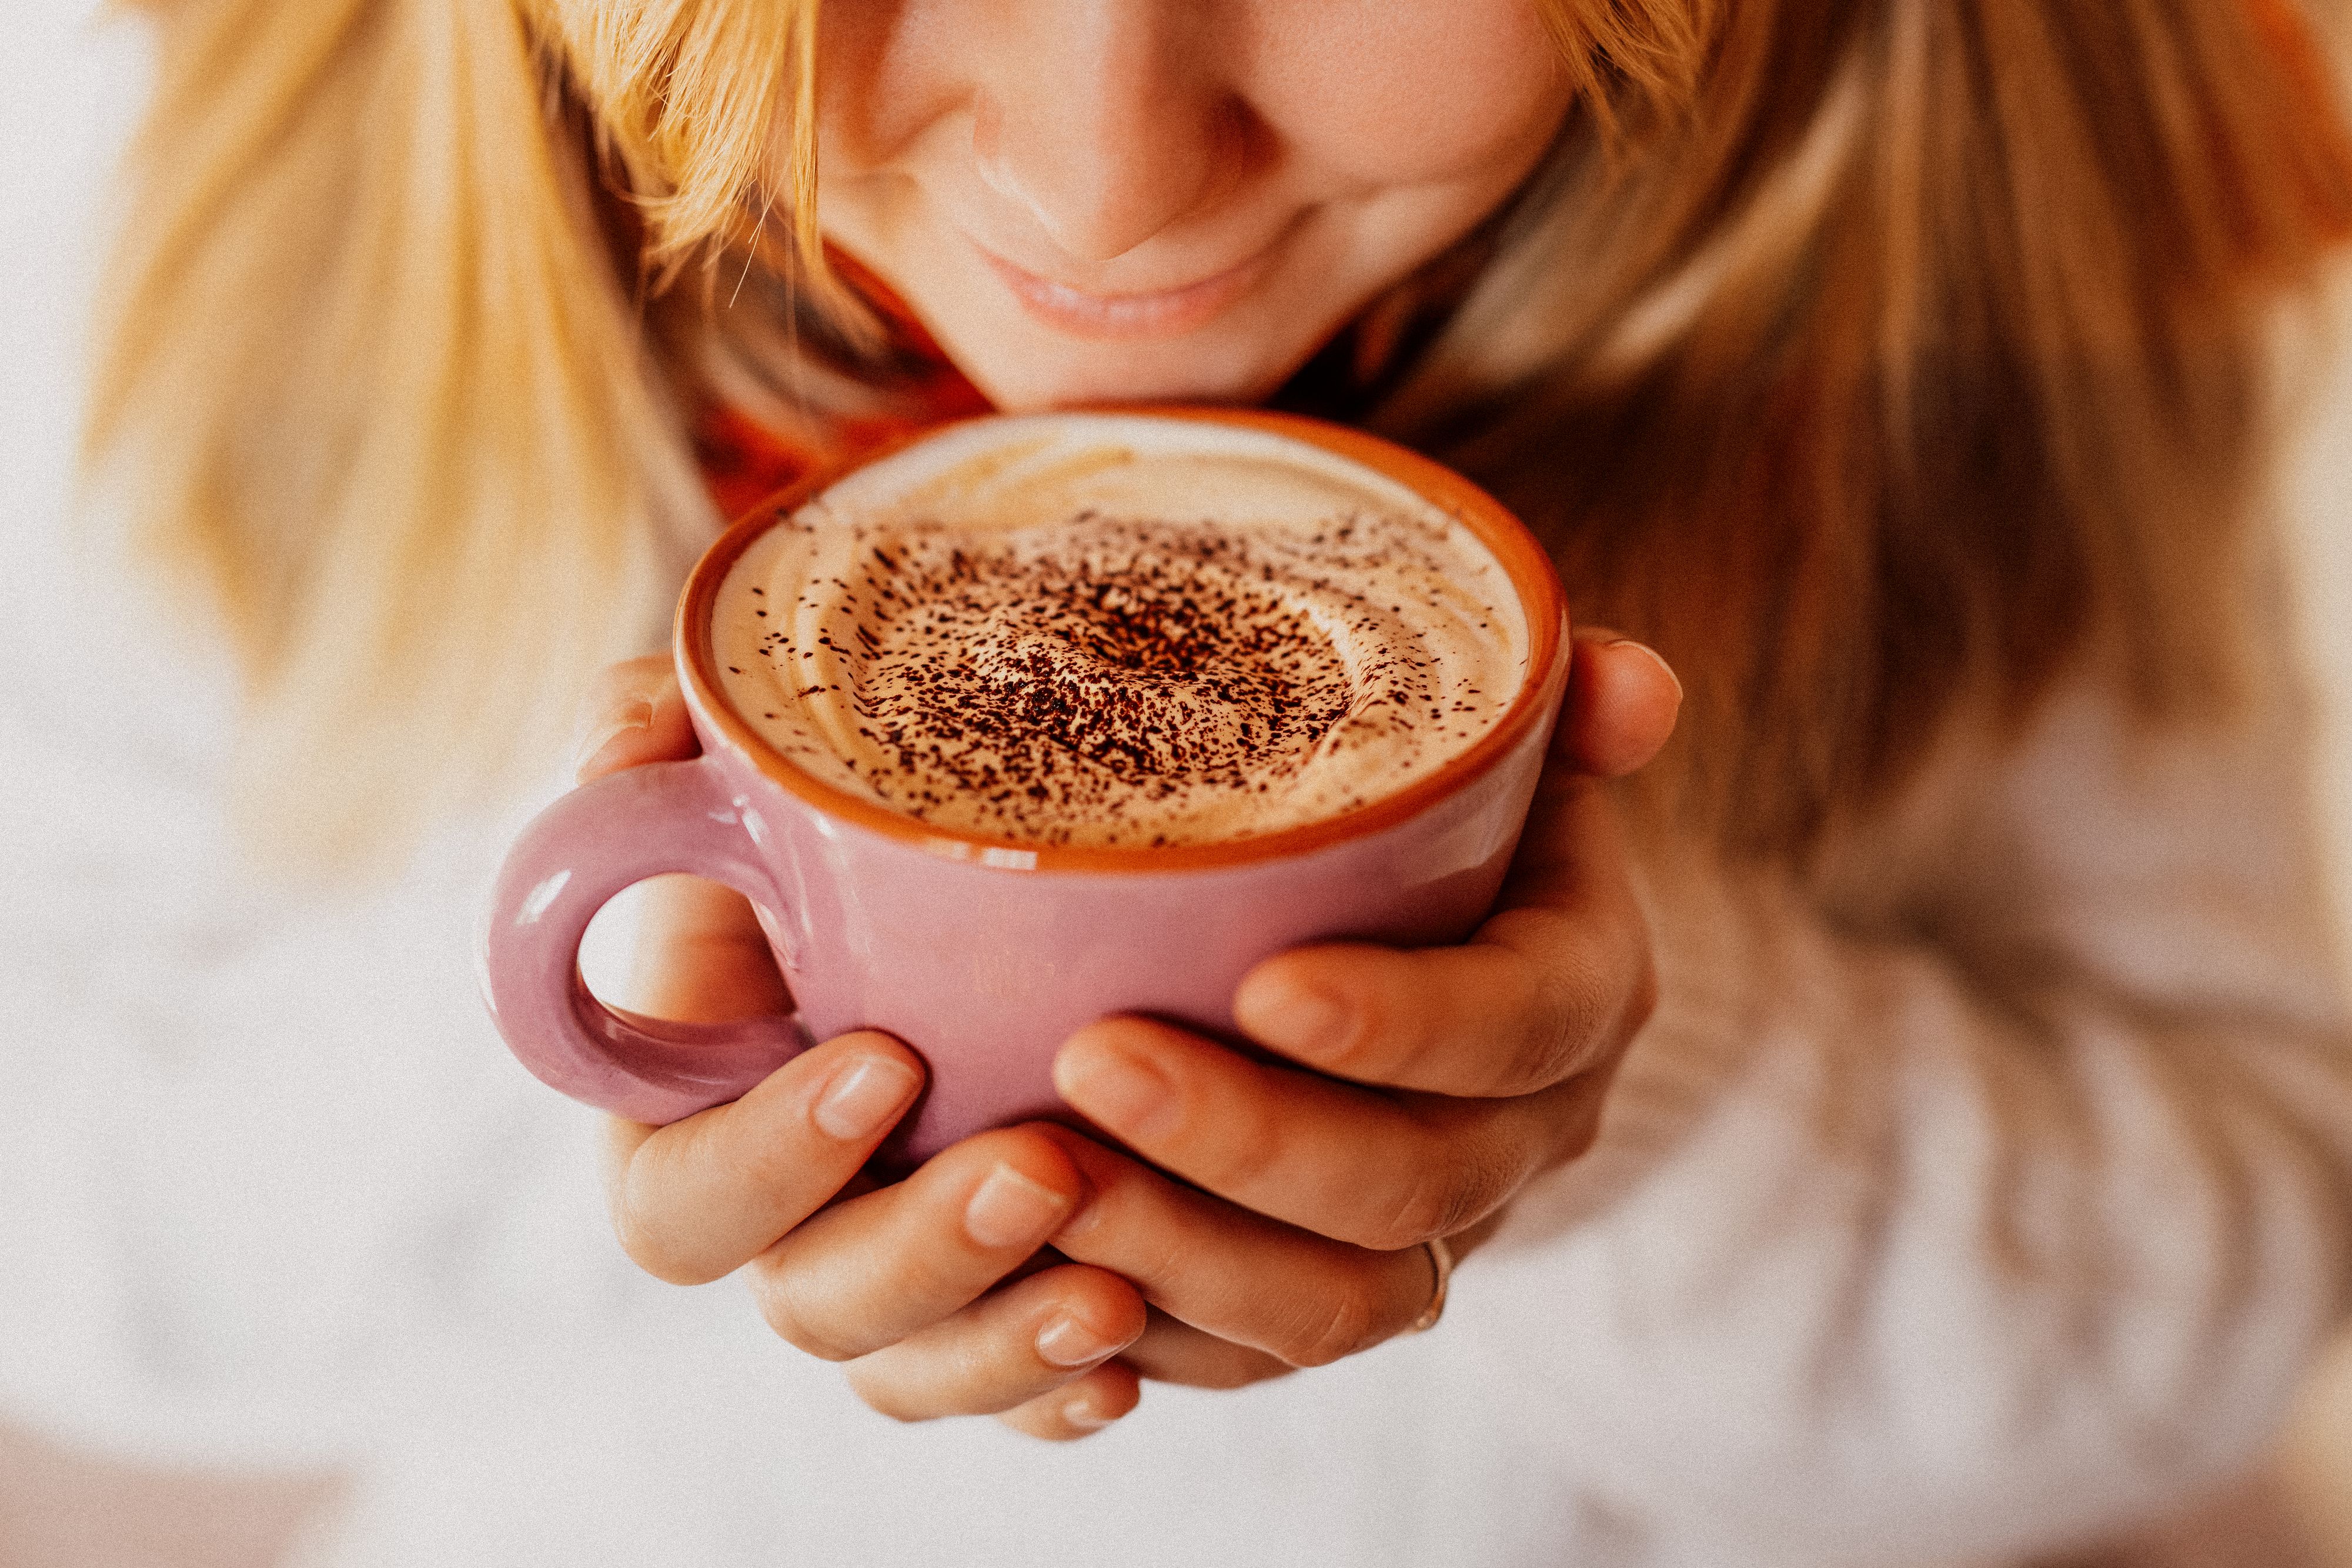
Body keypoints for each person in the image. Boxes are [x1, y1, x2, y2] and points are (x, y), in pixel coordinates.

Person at [18, 0, 2352, 1562]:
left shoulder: (2037, 242)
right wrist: (716, 972)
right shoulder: (188, 188)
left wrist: (1620, 1089)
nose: (1108, 173)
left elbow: (2226, 1304)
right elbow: (67, 1242)